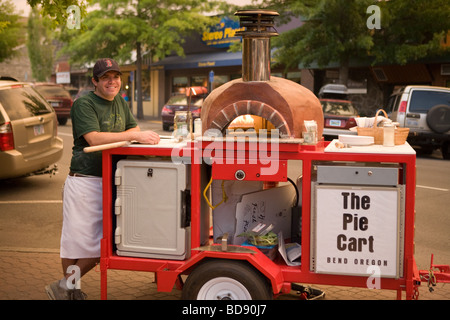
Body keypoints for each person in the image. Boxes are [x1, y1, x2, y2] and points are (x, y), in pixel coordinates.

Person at [45, 58, 160, 300]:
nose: (112, 81)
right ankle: (69, 288)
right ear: (95, 81)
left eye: (115, 76)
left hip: (111, 179)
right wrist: (133, 135)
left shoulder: (119, 101)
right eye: (106, 77)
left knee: (106, 242)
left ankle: (65, 286)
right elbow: (94, 139)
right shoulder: (84, 104)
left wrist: (135, 135)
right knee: (76, 241)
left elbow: (134, 130)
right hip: (84, 181)